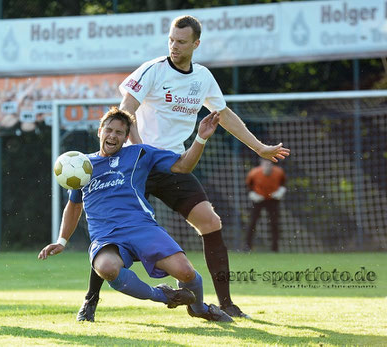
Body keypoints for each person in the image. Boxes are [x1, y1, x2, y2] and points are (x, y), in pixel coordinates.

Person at [78, 14, 290, 322]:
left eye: (181, 42)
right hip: (136, 166)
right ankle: (90, 301)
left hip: (171, 164)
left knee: (210, 221)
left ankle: (226, 303)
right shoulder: (153, 69)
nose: (174, 47)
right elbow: (126, 108)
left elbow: (224, 114)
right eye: (171, 40)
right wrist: (138, 149)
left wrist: (259, 147)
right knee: (112, 227)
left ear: (196, 44)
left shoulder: (202, 77)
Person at [39, 107, 233, 322]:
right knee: (106, 267)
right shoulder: (82, 165)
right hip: (106, 236)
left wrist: (201, 138)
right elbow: (74, 206)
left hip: (142, 228)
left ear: (126, 137)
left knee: (186, 273)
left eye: (119, 133)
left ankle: (199, 309)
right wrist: (62, 241)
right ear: (99, 131)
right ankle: (163, 295)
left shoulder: (140, 153)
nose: (113, 135)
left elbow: (183, 166)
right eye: (109, 130)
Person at [245, 159, 287, 252]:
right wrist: (253, 195)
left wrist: (279, 192)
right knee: (252, 222)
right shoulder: (254, 173)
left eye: (269, 164)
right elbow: (248, 186)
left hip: (273, 199)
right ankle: (247, 246)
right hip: (258, 199)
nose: (267, 166)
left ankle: (275, 248)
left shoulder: (279, 172)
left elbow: (283, 184)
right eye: (265, 164)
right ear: (261, 165)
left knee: (274, 223)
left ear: (272, 165)